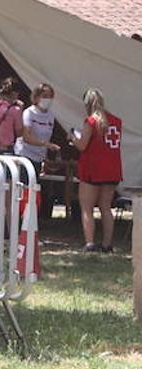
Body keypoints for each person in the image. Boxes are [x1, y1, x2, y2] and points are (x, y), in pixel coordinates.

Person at [73, 88, 123, 253]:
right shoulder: (116, 120)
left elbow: (82, 145)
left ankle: (90, 243)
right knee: (105, 206)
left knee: (87, 207)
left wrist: (72, 137)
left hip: (93, 169)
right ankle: (107, 244)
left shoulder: (91, 121)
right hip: (112, 169)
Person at [15, 83, 61, 175]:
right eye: (44, 96)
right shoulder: (29, 113)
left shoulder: (51, 116)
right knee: (23, 186)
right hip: (24, 156)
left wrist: (46, 156)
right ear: (36, 97)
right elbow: (26, 137)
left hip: (39, 159)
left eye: (50, 97)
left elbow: (47, 136)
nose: (48, 99)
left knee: (34, 187)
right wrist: (46, 144)